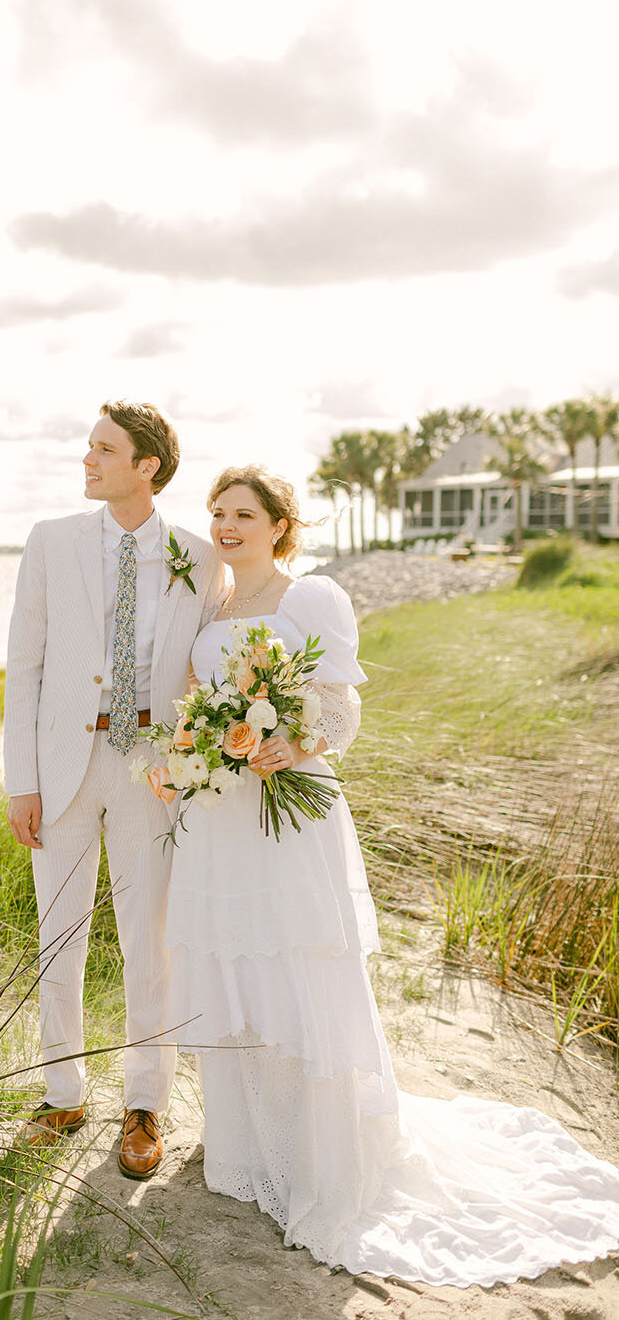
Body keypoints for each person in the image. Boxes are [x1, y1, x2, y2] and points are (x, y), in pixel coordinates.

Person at [163, 464, 619, 1286]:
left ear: (279, 523)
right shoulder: (213, 606)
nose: (225, 526)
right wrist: (205, 748)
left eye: (243, 513)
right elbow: (201, 698)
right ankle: (247, 1141)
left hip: (288, 809)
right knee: (233, 961)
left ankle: (318, 1148)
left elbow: (341, 708)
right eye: (217, 513)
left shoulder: (310, 599)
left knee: (297, 960)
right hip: (220, 813)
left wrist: (292, 746)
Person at [4, 400, 227, 1180]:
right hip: (62, 769)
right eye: (88, 448)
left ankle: (143, 1105)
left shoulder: (200, 558)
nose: (87, 460)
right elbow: (23, 669)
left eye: (104, 450)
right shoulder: (50, 542)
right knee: (57, 937)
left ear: (148, 467)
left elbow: (211, 667)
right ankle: (62, 1094)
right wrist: (20, 782)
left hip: (152, 772)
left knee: (150, 945)